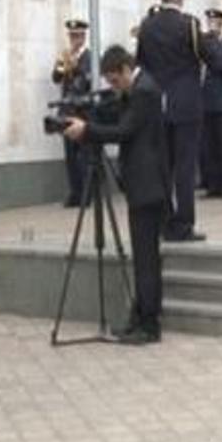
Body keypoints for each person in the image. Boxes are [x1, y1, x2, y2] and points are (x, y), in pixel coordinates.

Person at [62, 45, 170, 345]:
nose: (113, 86)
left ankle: (149, 325)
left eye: (114, 80)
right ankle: (141, 317)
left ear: (125, 69)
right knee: (143, 257)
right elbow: (119, 116)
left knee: (146, 258)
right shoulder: (137, 89)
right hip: (143, 184)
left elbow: (125, 130)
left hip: (148, 185)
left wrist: (86, 131)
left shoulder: (144, 90)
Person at [135, 0, 206, 242]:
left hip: (158, 106)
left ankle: (165, 221)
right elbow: (206, 54)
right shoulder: (189, 24)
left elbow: (141, 63)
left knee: (163, 167)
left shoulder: (147, 26)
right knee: (185, 169)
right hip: (186, 105)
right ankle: (184, 224)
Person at [51, 19, 92, 207]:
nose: (74, 39)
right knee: (70, 155)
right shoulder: (66, 55)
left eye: (77, 36)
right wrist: (62, 65)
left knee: (83, 155)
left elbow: (86, 81)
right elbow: (56, 78)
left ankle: (86, 194)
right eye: (71, 36)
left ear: (83, 37)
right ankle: (75, 192)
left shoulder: (88, 57)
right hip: (67, 109)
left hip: (82, 110)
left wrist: (74, 66)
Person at [199, 8, 222, 199]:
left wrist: (211, 46)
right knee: (206, 146)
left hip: (220, 101)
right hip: (202, 101)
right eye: (209, 21)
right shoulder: (202, 44)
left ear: (221, 24)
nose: (211, 25)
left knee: (221, 145)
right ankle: (211, 184)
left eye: (215, 22)